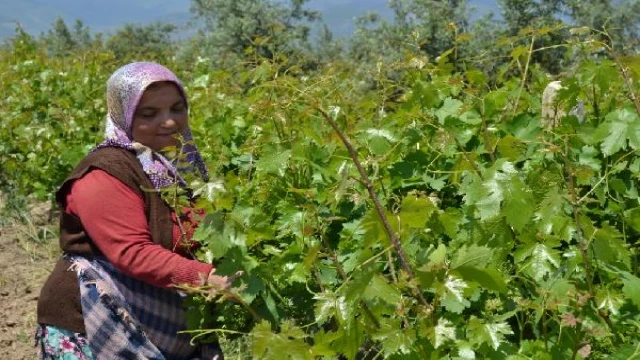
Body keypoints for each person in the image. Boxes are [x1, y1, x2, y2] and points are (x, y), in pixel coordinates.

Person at [36, 62, 230, 360]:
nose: (169, 122)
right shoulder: (104, 174)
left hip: (159, 321)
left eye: (177, 108)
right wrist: (208, 278)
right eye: (149, 114)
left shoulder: (178, 168)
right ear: (123, 115)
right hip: (95, 323)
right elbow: (133, 252)